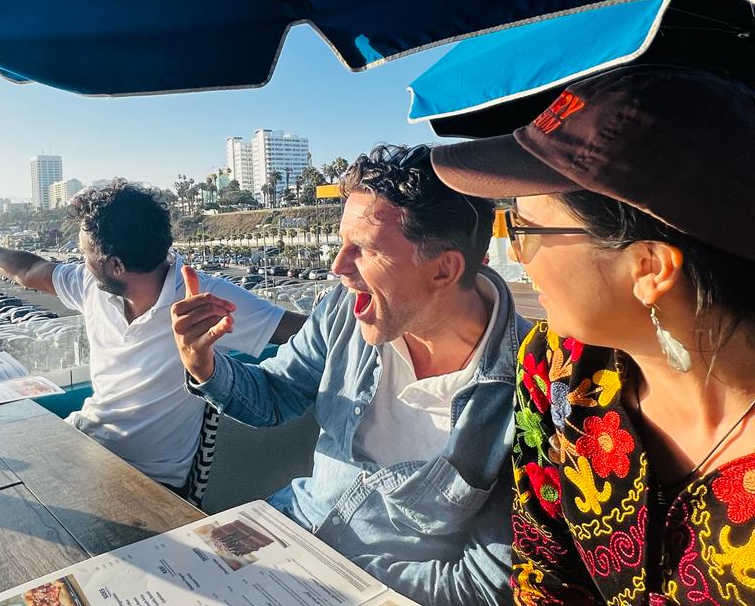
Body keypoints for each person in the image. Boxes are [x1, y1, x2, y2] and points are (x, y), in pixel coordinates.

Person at [430, 65, 755, 603]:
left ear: (650, 267)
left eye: (526, 229)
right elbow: (543, 568)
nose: (513, 255)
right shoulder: (560, 370)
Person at [172, 145, 532, 605]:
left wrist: (320, 578)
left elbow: (482, 585)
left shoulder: (529, 389)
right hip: (281, 537)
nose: (337, 267)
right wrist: (204, 363)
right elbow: (277, 395)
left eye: (363, 250)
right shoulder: (345, 312)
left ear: (444, 269)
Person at [0, 180, 305, 493]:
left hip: (151, 482)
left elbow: (305, 330)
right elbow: (30, 269)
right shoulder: (93, 286)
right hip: (84, 443)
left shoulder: (204, 298)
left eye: (84, 254)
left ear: (116, 265)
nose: (79, 263)